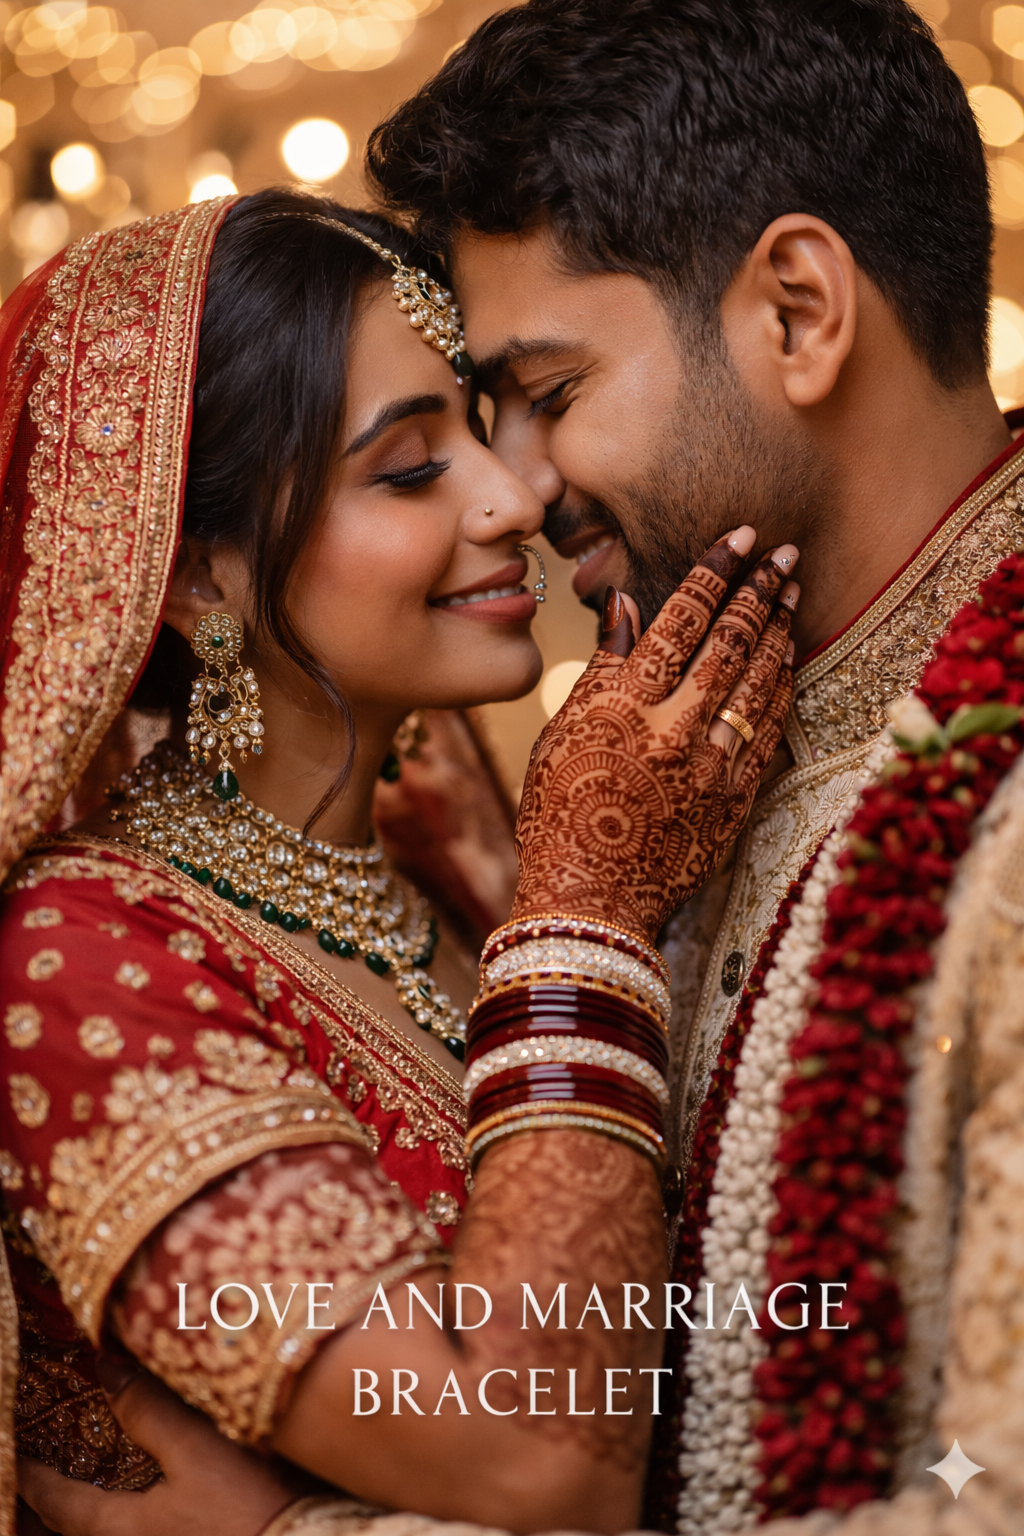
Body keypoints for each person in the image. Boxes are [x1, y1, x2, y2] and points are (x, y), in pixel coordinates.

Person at [52, 1, 1024, 1532]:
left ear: (797, 310)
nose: (519, 491)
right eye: (434, 449)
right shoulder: (674, 781)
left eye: (548, 397)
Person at [1, 188, 797, 1536]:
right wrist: (585, 901)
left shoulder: (442, 873)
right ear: (197, 577)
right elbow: (535, 1466)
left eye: (483, 432)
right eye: (411, 466)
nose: (512, 496)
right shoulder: (80, 962)